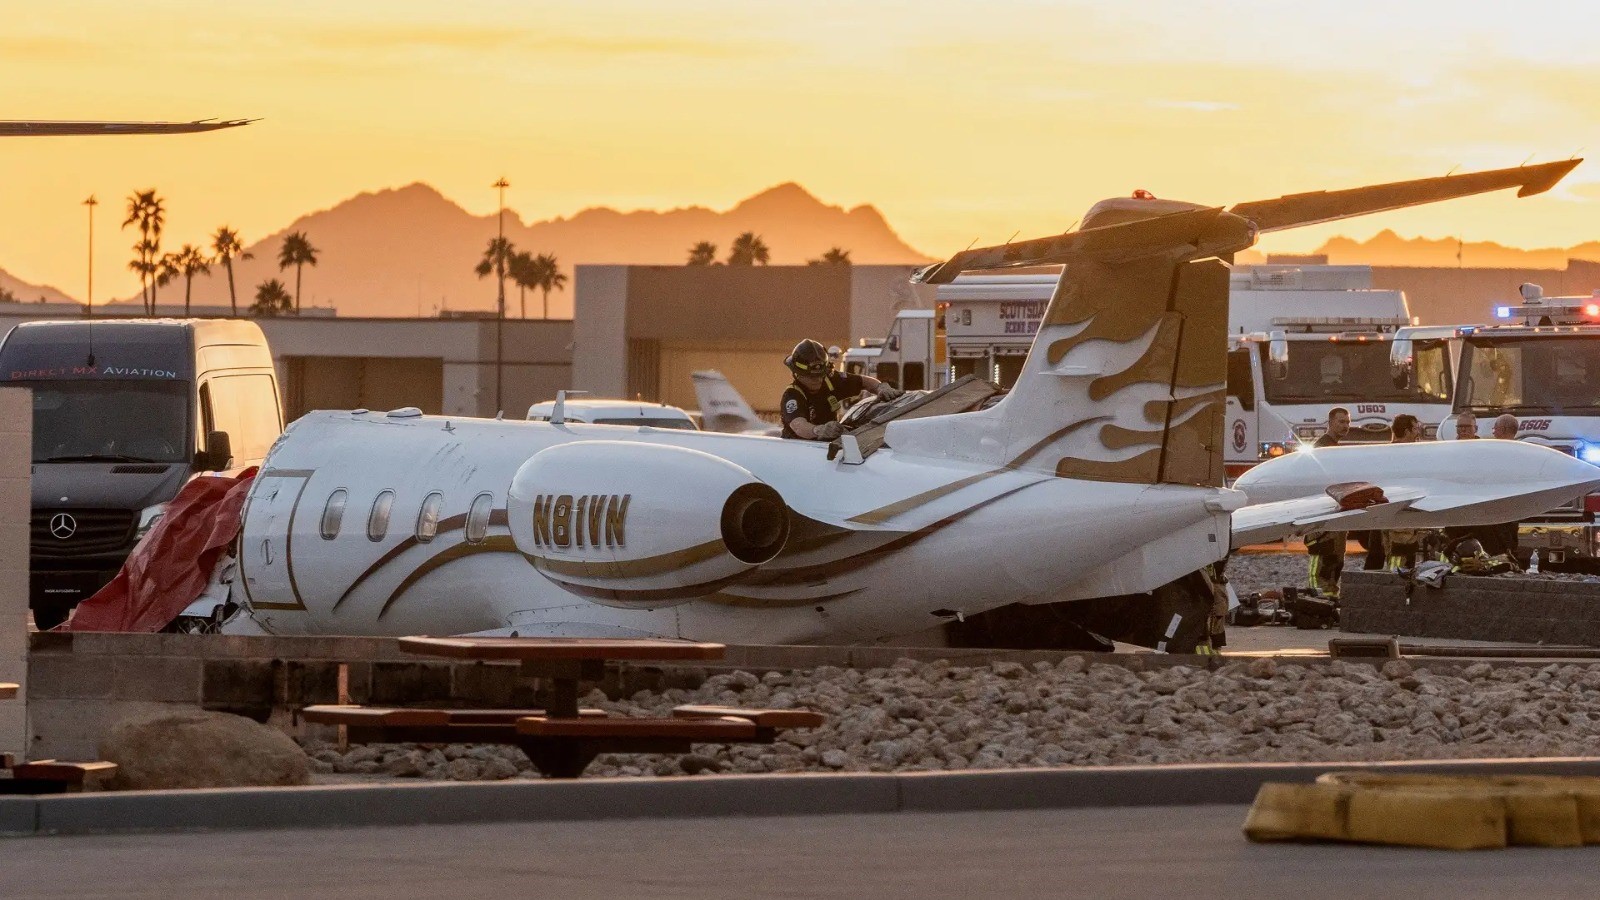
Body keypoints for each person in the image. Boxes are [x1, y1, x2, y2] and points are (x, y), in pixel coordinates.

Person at [779, 339, 902, 441]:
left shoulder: (831, 380)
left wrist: (881, 387)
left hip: (828, 446)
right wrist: (818, 430)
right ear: (797, 374)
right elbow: (798, 426)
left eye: (820, 375)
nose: (817, 380)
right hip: (800, 449)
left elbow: (864, 381)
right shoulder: (792, 396)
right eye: (811, 376)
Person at [1306, 407, 1350, 597]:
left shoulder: (1334, 447)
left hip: (1335, 511)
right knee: (1323, 554)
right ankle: (1318, 597)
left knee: (1335, 559)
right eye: (1341, 422)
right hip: (1323, 512)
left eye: (1348, 422)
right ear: (1330, 423)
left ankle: (1330, 596)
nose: (1345, 426)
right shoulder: (1323, 448)